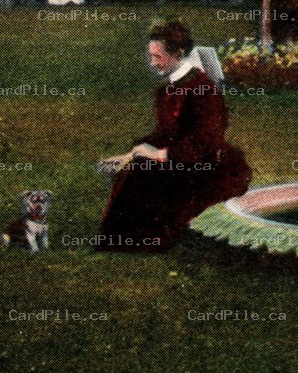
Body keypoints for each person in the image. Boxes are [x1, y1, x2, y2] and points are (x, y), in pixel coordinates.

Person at [96, 19, 251, 252]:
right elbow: (166, 134)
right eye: (150, 56)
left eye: (157, 57)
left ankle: (139, 241)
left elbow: (205, 141)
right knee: (134, 169)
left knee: (141, 175)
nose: (151, 63)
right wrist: (132, 153)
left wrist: (156, 155)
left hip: (206, 165)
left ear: (178, 53)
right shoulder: (167, 89)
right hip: (180, 159)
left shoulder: (202, 88)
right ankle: (122, 240)